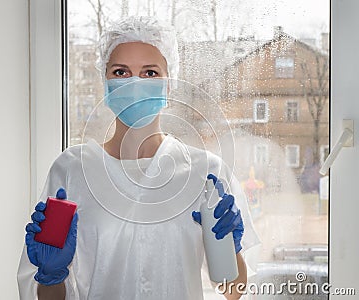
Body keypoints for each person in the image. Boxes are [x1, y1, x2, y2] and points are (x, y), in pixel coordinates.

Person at [17, 16, 259, 300]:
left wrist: (232, 248)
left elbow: (233, 291)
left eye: (150, 73)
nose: (134, 83)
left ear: (169, 86)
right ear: (105, 84)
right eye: (121, 72)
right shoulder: (72, 169)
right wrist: (50, 275)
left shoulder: (206, 173)